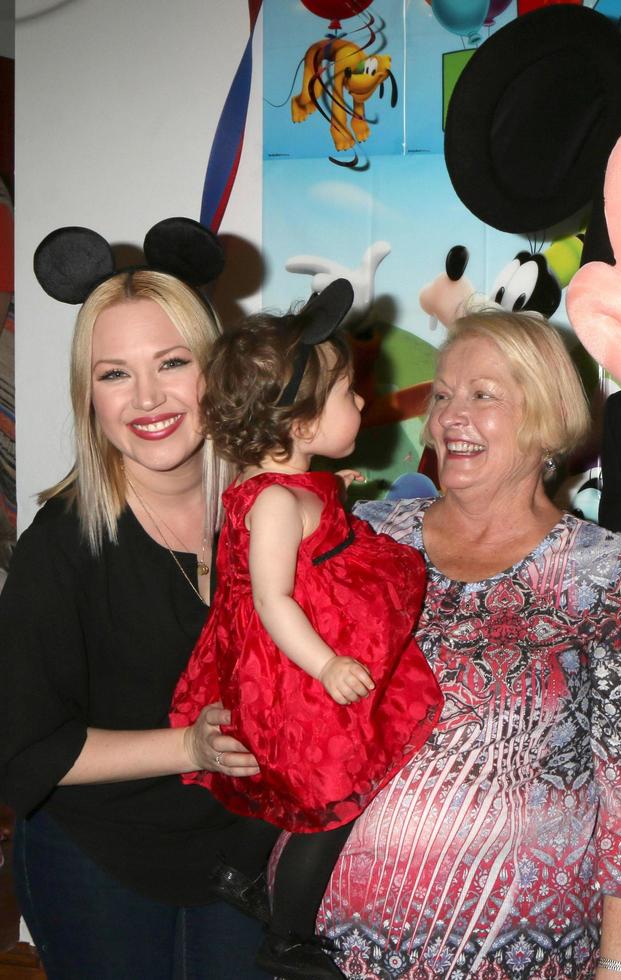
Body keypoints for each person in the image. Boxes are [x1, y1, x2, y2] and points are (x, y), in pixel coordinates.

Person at [308, 310, 621, 980]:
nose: (452, 415)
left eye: (483, 395)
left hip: (520, 949)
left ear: (545, 414)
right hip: (337, 940)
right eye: (444, 395)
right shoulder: (369, 534)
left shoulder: (603, 571)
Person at [0, 220, 280, 979]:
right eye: (114, 373)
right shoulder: (62, 544)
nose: (147, 398)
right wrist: (189, 746)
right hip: (99, 859)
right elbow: (23, 747)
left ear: (215, 371)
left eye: (172, 362)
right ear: (87, 393)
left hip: (248, 856)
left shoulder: (277, 514)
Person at [169, 281, 443, 979]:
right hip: (290, 678)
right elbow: (271, 600)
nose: (360, 402)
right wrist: (325, 666)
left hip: (288, 670)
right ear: (299, 425)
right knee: (327, 802)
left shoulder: (282, 492)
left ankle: (235, 867)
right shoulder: (273, 505)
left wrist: (335, 488)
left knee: (289, 789)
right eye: (348, 393)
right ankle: (287, 937)